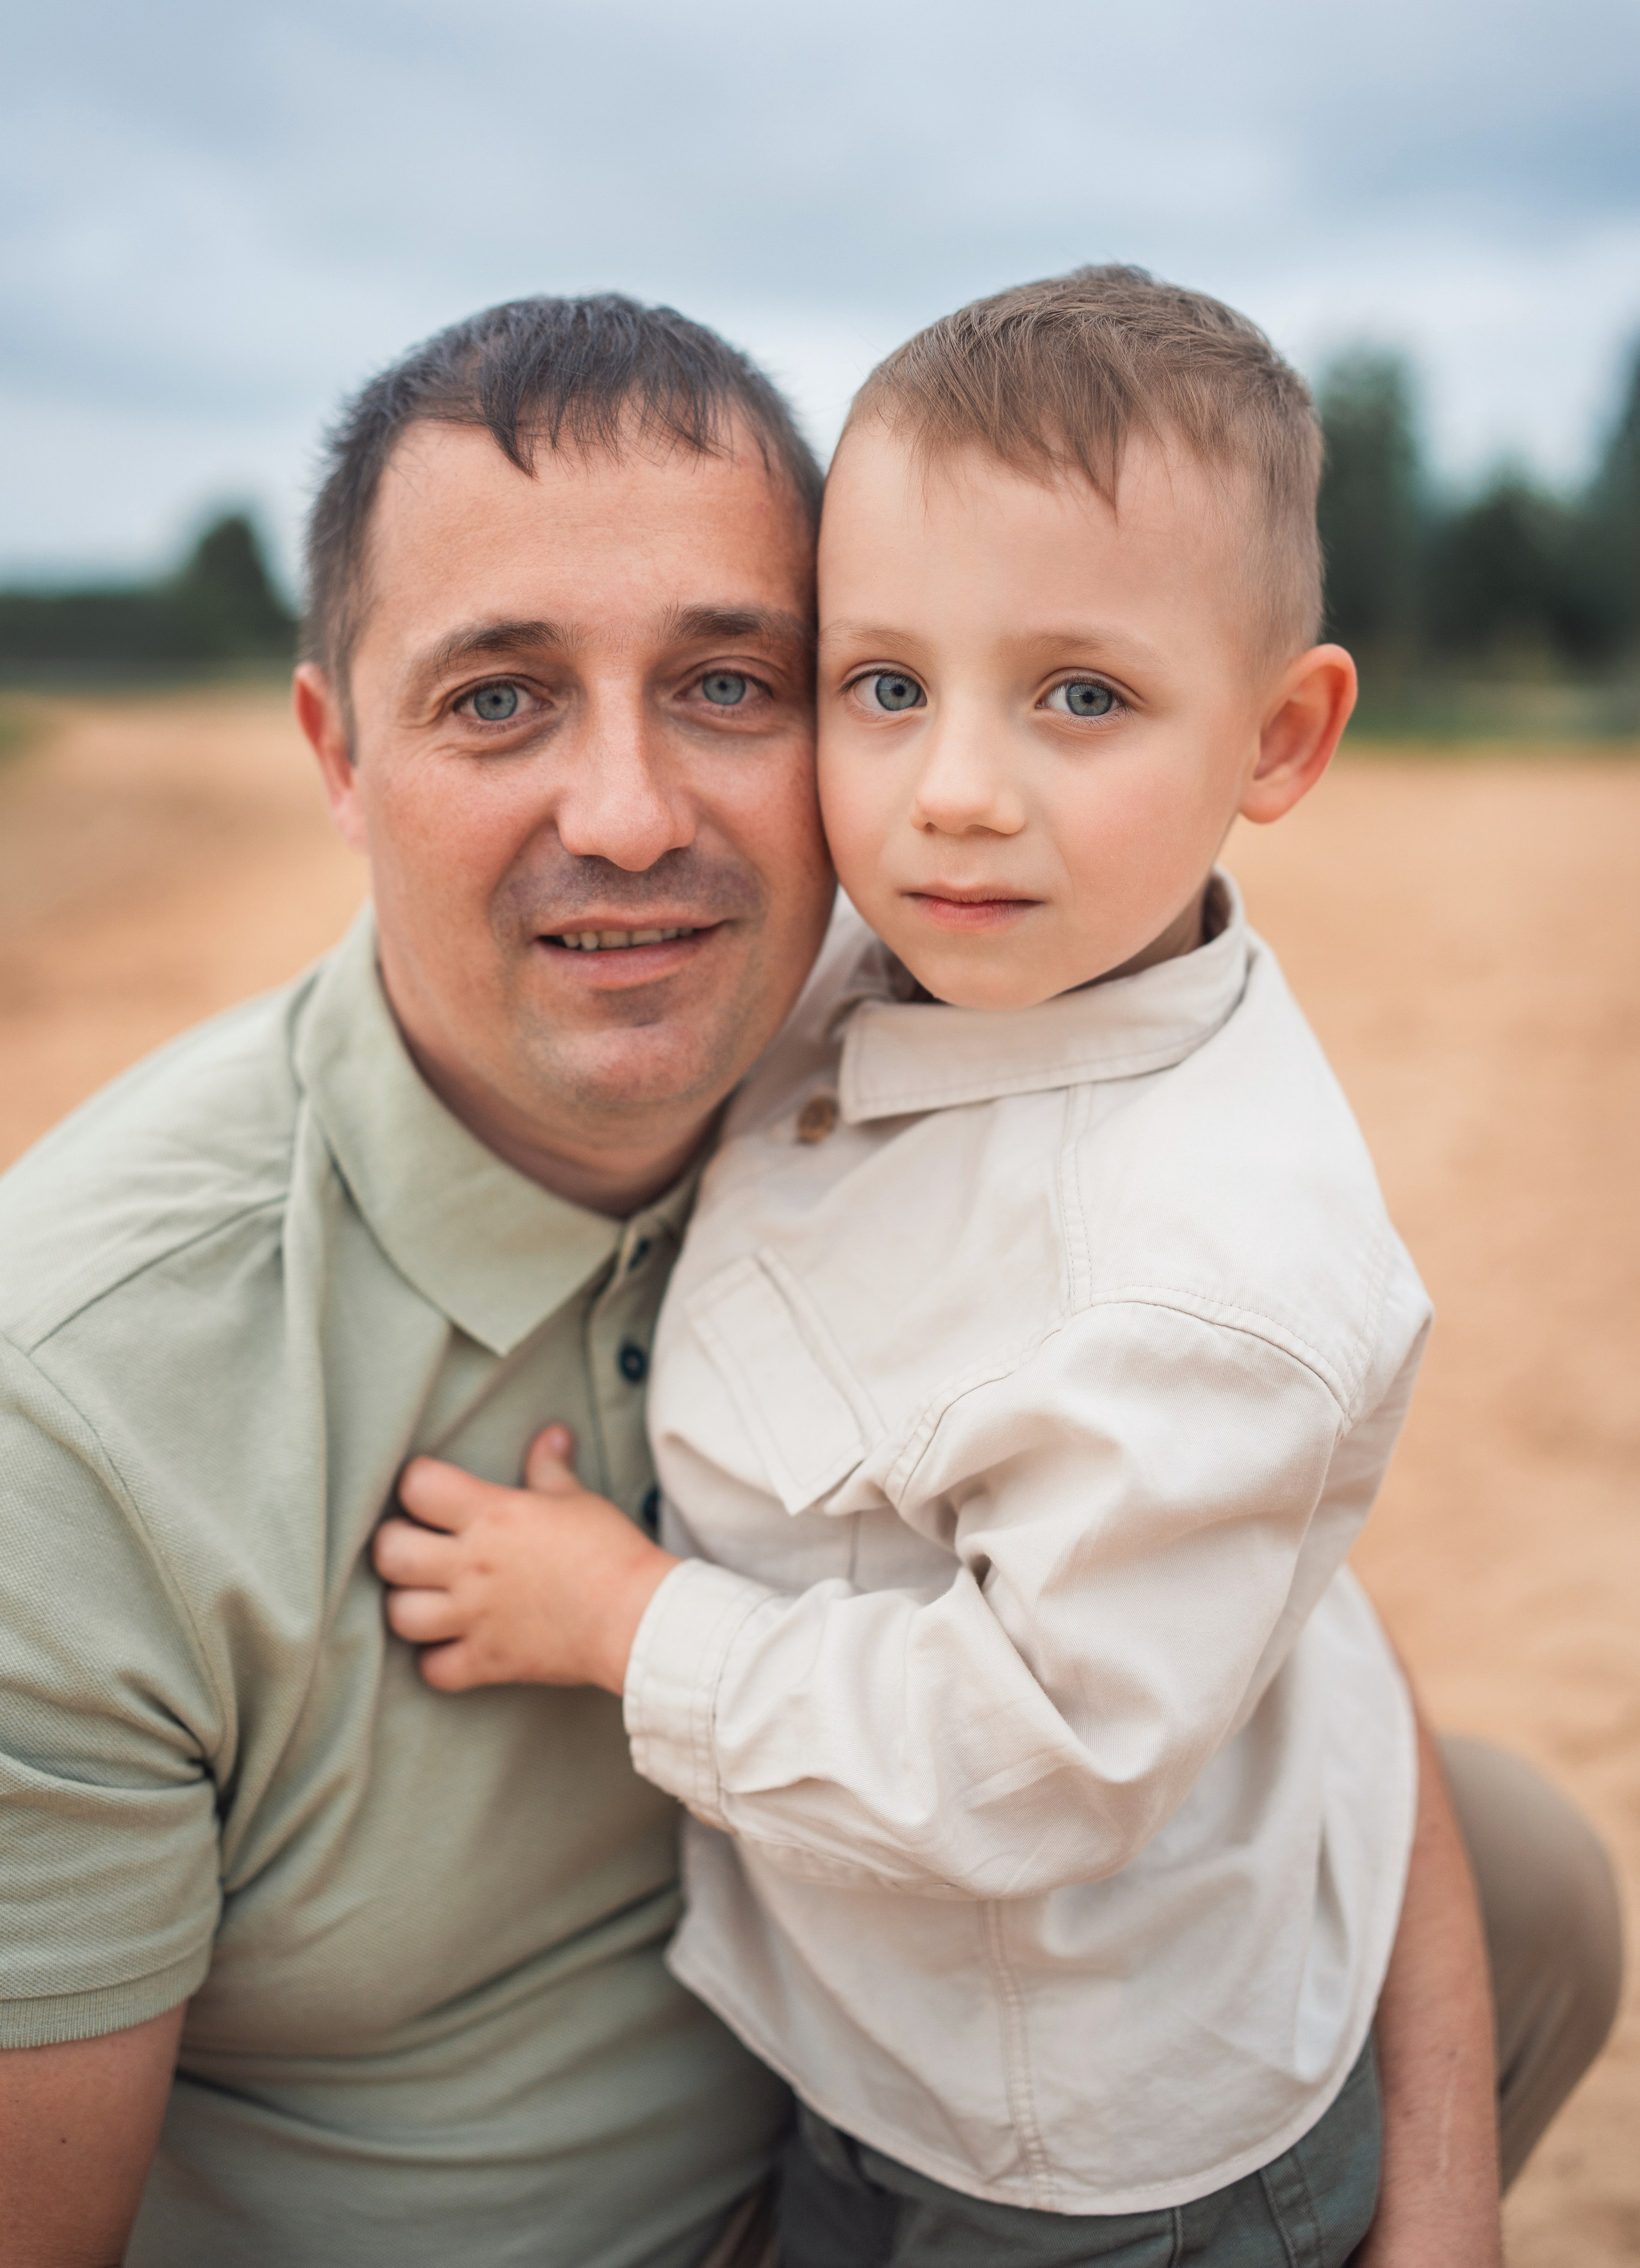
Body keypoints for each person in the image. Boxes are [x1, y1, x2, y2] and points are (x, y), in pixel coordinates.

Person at [0, 293, 1618, 2268]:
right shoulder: (68, 1407)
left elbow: (1260, 1603)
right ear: (338, 753)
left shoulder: (900, 1040)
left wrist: (1440, 2211)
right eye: (498, 696)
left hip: (965, 2146)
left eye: (729, 686)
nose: (628, 820)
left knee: (1515, 1864)